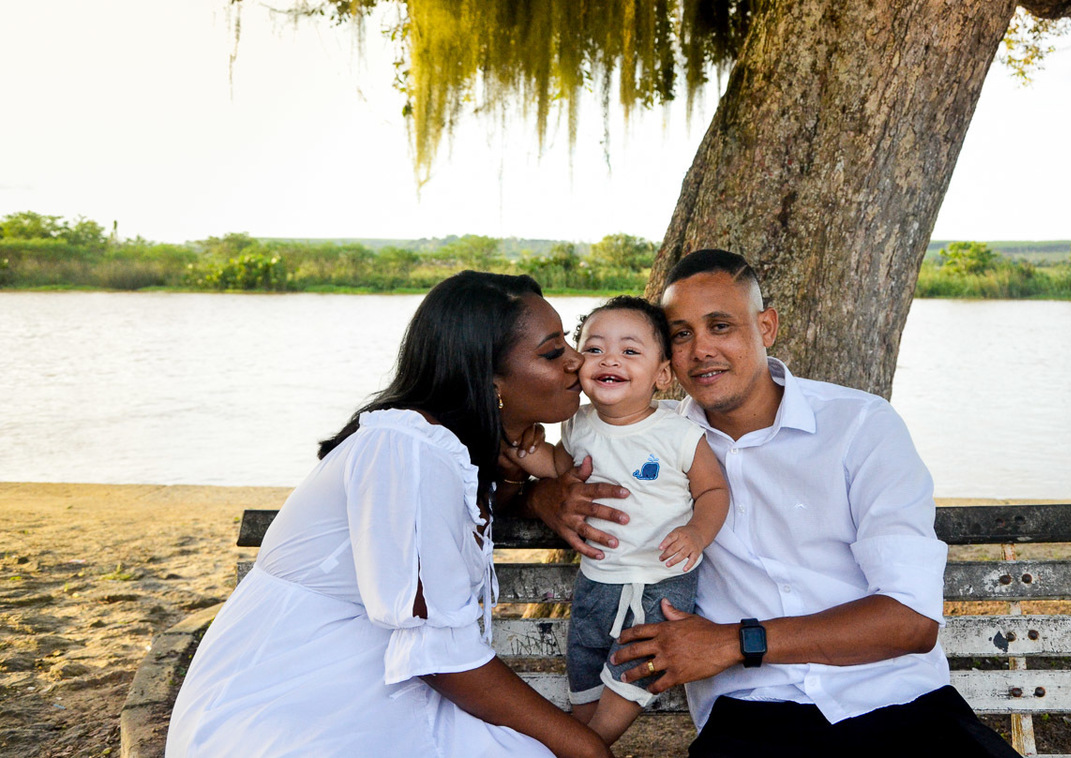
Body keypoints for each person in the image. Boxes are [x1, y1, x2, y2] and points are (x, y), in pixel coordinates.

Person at [525, 251, 1021, 757]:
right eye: (681, 334)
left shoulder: (860, 426)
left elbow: (911, 619)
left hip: (900, 702)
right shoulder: (655, 439)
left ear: (766, 327)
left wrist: (734, 642)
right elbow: (542, 464)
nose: (701, 350)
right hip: (752, 715)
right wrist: (540, 495)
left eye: (721, 325)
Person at [166, 271, 613, 758]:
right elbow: (438, 654)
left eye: (568, 341)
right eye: (552, 352)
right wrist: (583, 745)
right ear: (486, 376)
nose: (577, 360)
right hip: (289, 699)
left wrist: (527, 490)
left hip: (370, 680)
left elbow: (452, 525)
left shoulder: (447, 446)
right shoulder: (405, 448)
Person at [507, 296, 729, 745]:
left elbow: (713, 491)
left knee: (636, 668)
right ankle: (585, 738)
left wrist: (697, 532)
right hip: (596, 580)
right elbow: (565, 472)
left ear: (662, 374)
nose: (610, 359)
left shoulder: (678, 434)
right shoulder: (579, 424)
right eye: (594, 349)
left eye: (630, 351)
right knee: (585, 666)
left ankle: (586, 747)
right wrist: (527, 451)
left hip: (658, 580)